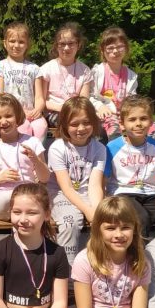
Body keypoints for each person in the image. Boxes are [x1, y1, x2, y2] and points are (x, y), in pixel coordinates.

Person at [105, 95, 155, 239]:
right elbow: (102, 181)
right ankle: (140, 252)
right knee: (141, 219)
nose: (138, 124)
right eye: (132, 119)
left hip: (150, 194)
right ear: (122, 124)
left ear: (151, 122)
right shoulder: (112, 148)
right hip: (122, 193)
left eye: (143, 118)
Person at [47, 97, 106, 264]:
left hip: (87, 193)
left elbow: (95, 185)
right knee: (70, 222)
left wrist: (95, 211)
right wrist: (87, 211)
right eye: (74, 124)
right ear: (64, 125)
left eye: (86, 122)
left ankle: (100, 266)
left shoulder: (99, 148)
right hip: (61, 194)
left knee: (106, 219)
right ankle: (66, 271)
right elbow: (66, 187)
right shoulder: (58, 148)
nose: (81, 128)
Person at [0, 93, 49, 221]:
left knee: (33, 198)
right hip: (2, 197)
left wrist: (35, 160)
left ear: (18, 117)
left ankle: (24, 221)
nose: (4, 121)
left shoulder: (32, 142)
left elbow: (45, 178)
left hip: (28, 193)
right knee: (13, 199)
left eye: (8, 116)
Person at [0, 21, 46, 138]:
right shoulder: (0, 66)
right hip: (11, 113)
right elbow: (0, 95)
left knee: (41, 127)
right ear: (5, 43)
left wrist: (38, 110)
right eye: (12, 41)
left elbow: (39, 97)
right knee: (24, 127)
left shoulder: (34, 68)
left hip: (32, 113)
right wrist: (19, 112)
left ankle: (37, 150)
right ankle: (23, 150)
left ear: (27, 44)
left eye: (21, 42)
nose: (16, 45)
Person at [39, 22, 93, 128]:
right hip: (54, 112)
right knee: (69, 123)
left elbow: (84, 100)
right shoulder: (46, 69)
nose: (66, 48)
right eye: (62, 44)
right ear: (56, 46)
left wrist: (75, 111)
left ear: (78, 45)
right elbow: (42, 100)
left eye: (71, 43)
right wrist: (62, 108)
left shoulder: (85, 71)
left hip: (78, 112)